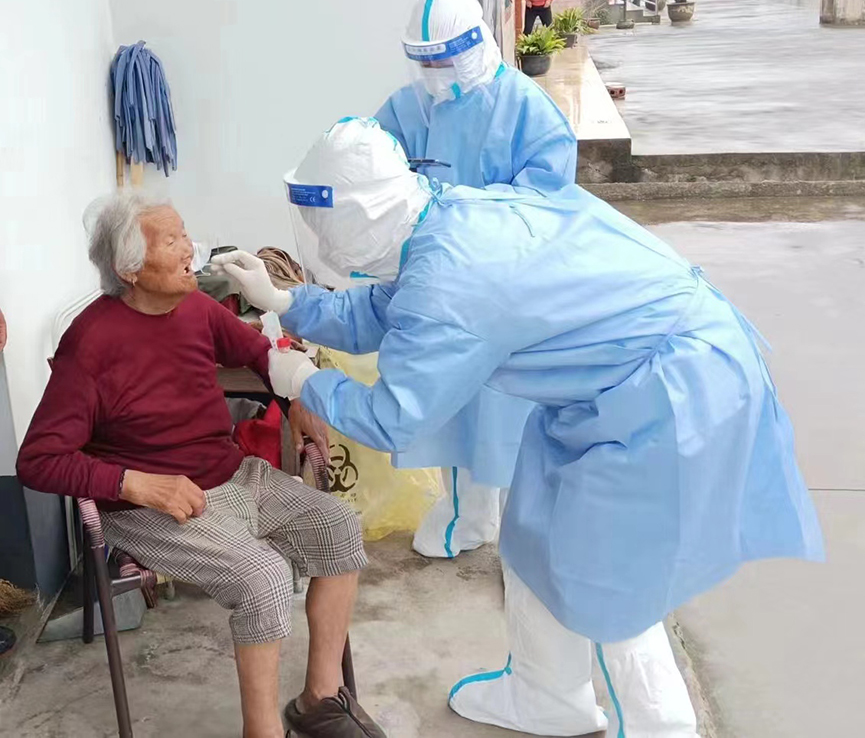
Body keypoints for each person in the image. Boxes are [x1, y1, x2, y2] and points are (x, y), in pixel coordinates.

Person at [217, 118, 824, 738]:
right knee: (536, 535)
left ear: (355, 217)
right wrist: (290, 302)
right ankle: (548, 694)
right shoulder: (443, 219)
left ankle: (660, 727)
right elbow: (392, 306)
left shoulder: (453, 276)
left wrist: (299, 380)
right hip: (608, 390)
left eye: (322, 223)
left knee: (611, 586)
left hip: (667, 394)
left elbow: (394, 416)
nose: (317, 237)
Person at [16, 194, 385, 738]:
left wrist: (299, 396)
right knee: (263, 576)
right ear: (130, 270)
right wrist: (137, 484)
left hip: (231, 474)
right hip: (150, 507)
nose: (190, 248)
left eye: (185, 233)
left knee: (337, 526)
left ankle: (319, 702)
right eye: (171, 241)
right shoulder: (90, 345)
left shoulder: (195, 307)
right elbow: (39, 460)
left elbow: (259, 353)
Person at [243, 0, 574, 561]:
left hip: (503, 287)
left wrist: (302, 380)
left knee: (508, 413)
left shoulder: (528, 112)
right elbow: (362, 184)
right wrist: (286, 300)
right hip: (438, 275)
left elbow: (546, 208)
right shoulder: (406, 109)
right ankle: (469, 512)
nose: (437, 73)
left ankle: (511, 515)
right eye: (425, 62)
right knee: (450, 407)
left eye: (446, 59)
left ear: (476, 45)